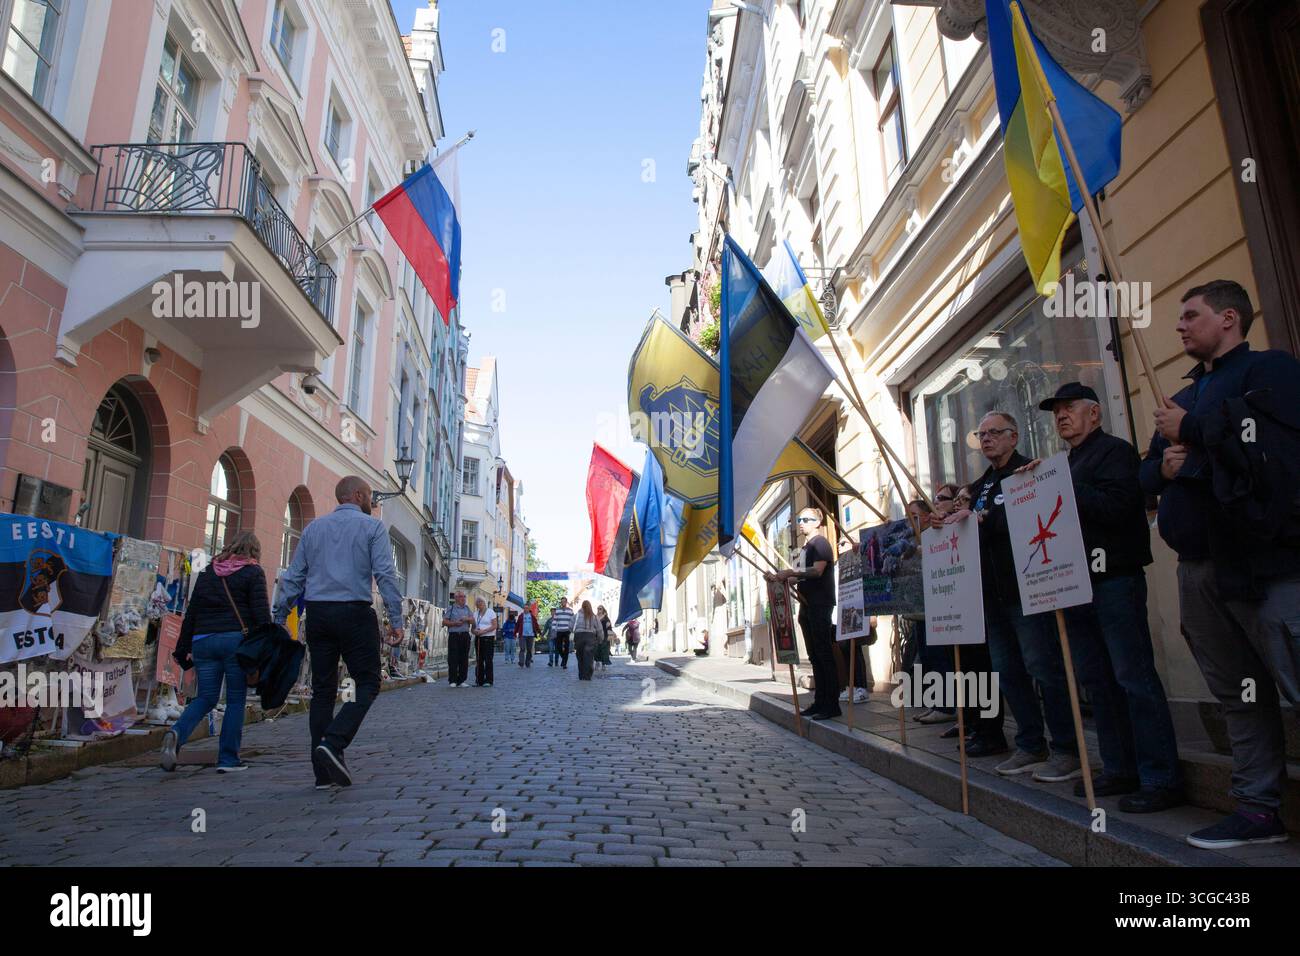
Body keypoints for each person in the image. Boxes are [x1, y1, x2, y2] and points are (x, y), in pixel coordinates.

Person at [1141, 280, 1300, 849]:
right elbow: (1145, 475)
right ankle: (1258, 810)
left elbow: (1271, 451)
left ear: (1229, 317)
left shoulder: (1270, 371)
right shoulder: (1180, 397)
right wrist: (1161, 470)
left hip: (1263, 566)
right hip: (1199, 569)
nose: (1179, 326)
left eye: (1191, 315)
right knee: (1240, 694)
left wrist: (1192, 434)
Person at [1022, 382, 1183, 812]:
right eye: (1056, 411)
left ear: (1094, 412)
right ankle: (1119, 766)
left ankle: (1160, 775)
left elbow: (1118, 507)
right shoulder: (1065, 462)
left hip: (1114, 577)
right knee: (1098, 681)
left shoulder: (1115, 451)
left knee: (1133, 676)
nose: (1061, 416)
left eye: (1069, 408)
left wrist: (1061, 485)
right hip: (1077, 584)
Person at [946, 412, 1080, 781]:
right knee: (1008, 672)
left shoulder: (1030, 472)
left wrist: (987, 519)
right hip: (990, 593)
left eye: (994, 433)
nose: (986, 439)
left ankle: (1067, 748)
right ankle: (1030, 743)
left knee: (1044, 667)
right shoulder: (979, 486)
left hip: (1027, 587)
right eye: (981, 433)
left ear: (1014, 437)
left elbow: (1035, 518)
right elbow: (967, 527)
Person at [274, 475, 404, 789]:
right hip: (354, 613)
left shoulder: (313, 529)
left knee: (322, 690)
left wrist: (278, 614)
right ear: (357, 495)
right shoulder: (372, 528)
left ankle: (323, 774)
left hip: (318, 614)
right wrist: (396, 619)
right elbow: (385, 574)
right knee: (368, 682)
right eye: (370, 497)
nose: (372, 503)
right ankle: (333, 743)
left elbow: (294, 577)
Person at [162, 531, 269, 774]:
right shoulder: (253, 572)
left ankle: (177, 733)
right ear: (254, 552)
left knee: (206, 698)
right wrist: (265, 646)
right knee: (234, 700)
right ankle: (228, 759)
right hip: (235, 642)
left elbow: (192, 612)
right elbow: (261, 615)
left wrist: (182, 647)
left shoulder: (209, 572)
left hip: (203, 641)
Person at [767, 506, 840, 720]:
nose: (801, 522)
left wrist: (790, 572)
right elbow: (798, 577)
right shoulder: (805, 548)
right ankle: (820, 701)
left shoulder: (821, 544)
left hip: (820, 603)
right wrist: (778, 578)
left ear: (817, 522)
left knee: (823, 653)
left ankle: (831, 704)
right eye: (799, 519)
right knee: (814, 655)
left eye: (806, 519)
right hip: (807, 605)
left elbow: (817, 571)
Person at [901, 498, 955, 725]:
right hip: (920, 610)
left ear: (925, 515)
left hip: (939, 607)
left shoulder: (936, 533)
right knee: (927, 659)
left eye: (913, 515)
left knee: (940, 658)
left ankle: (947, 706)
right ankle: (937, 704)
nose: (909, 520)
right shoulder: (912, 539)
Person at [445, 592, 473, 687]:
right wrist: (454, 623)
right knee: (453, 657)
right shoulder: (451, 608)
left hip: (465, 635)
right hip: (454, 635)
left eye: (464, 596)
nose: (463, 598)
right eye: (461, 596)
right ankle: (452, 680)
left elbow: (473, 620)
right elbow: (444, 621)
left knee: (464, 658)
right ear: (456, 598)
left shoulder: (467, 608)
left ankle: (462, 680)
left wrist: (467, 619)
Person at [572, 601, 602, 680]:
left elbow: (570, 626)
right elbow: (599, 629)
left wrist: (576, 630)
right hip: (590, 637)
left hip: (578, 637)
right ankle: (587, 675)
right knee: (588, 656)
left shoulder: (576, 616)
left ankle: (581, 675)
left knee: (580, 656)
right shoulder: (594, 616)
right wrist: (600, 639)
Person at [471, 597, 497, 687]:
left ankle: (489, 680)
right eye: (477, 602)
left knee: (488, 659)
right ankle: (479, 680)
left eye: (481, 602)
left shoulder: (490, 612)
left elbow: (494, 626)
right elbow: (472, 628)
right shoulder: (475, 614)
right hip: (478, 639)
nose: (479, 603)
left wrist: (484, 631)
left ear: (484, 603)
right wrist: (475, 631)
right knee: (479, 660)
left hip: (488, 638)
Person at [550, 596, 575, 669]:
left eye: (564, 601)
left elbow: (573, 620)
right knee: (558, 646)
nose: (563, 603)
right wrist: (554, 629)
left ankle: (564, 663)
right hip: (559, 630)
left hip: (567, 631)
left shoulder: (570, 611)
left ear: (566, 602)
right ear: (561, 603)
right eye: (562, 602)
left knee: (566, 647)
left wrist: (572, 629)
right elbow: (555, 620)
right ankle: (564, 658)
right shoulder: (557, 611)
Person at [595, 605, 614, 675]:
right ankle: (597, 663)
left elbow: (609, 628)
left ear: (603, 610)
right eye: (598, 608)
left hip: (605, 636)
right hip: (597, 636)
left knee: (604, 650)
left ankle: (604, 664)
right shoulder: (595, 617)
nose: (599, 610)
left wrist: (610, 636)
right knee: (596, 650)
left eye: (600, 609)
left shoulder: (606, 618)